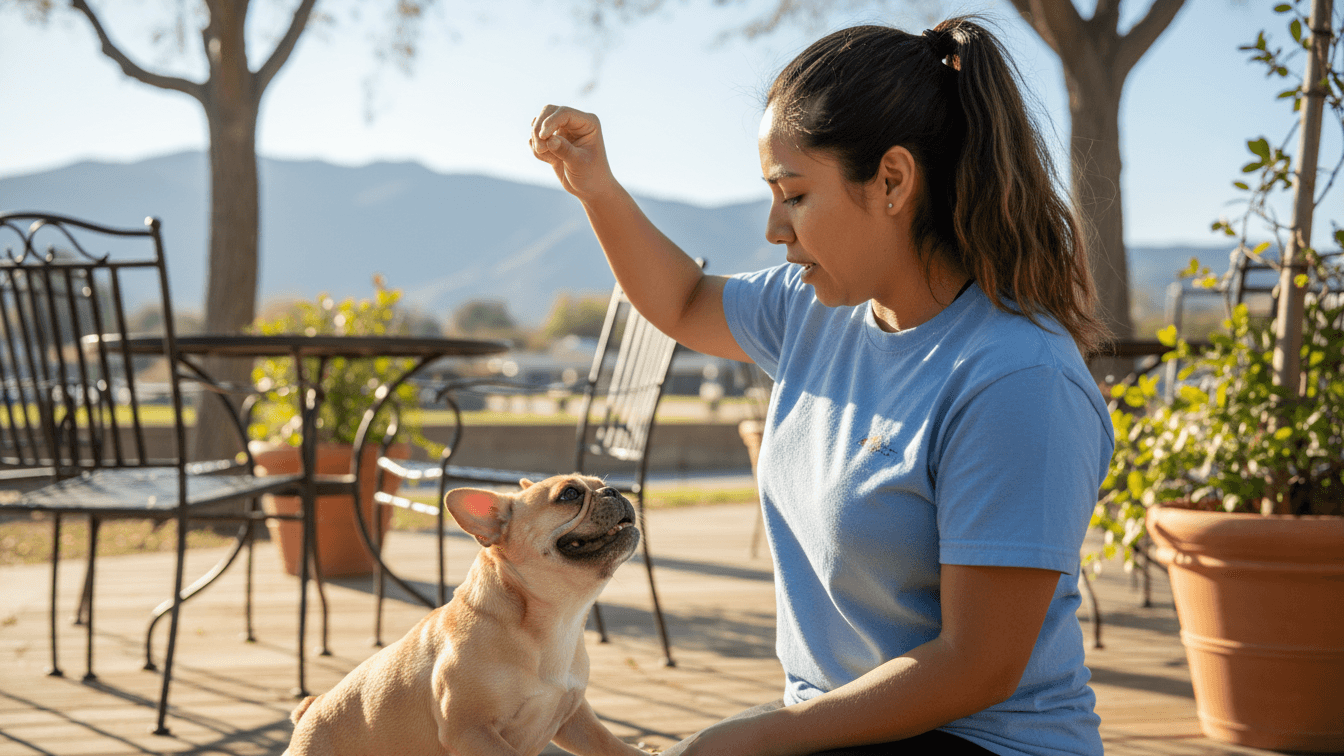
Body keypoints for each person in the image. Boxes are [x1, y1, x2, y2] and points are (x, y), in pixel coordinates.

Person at [530, 16, 1113, 756]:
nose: (775, 228)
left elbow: (979, 665)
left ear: (892, 181)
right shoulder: (814, 308)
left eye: (795, 194)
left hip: (982, 739)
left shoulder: (1018, 380)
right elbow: (682, 302)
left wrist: (761, 738)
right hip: (833, 726)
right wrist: (596, 188)